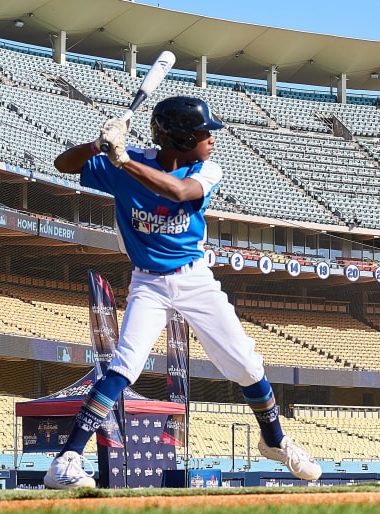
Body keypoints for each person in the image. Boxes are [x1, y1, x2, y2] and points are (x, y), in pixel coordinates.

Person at [43, 96, 321, 489]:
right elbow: (62, 165)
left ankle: (274, 440)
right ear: (182, 136)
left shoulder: (205, 169)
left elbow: (178, 192)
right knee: (124, 366)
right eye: (205, 132)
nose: (212, 139)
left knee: (244, 362)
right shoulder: (125, 161)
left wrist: (121, 160)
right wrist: (97, 146)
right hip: (149, 282)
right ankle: (66, 460)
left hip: (195, 279)